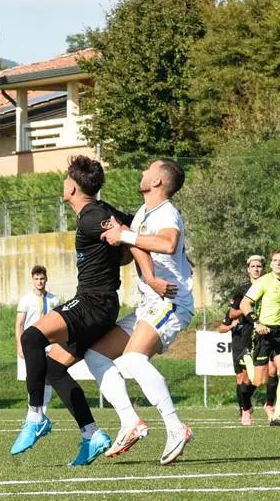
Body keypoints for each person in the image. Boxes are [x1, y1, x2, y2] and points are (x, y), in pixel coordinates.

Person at [10, 155, 174, 465]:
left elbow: (132, 239)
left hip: (93, 303)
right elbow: (131, 231)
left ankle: (36, 417)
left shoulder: (90, 216)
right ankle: (91, 435)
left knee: (32, 338)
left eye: (65, 180)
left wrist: (150, 275)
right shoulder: (102, 211)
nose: (63, 184)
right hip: (99, 303)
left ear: (72, 187)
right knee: (55, 368)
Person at [83, 158, 195, 465]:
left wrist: (126, 236)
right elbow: (135, 247)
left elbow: (169, 243)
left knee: (133, 359)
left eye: (148, 169)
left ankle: (175, 427)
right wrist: (117, 238)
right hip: (149, 304)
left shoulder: (167, 211)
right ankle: (130, 421)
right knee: (95, 355)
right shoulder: (145, 212)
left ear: (158, 181)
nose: (143, 172)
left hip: (171, 302)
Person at [240, 249, 280, 426]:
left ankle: (277, 415)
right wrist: (256, 323)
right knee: (259, 381)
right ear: (270, 264)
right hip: (263, 332)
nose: (278, 263)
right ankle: (247, 359)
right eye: (275, 260)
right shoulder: (264, 281)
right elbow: (244, 303)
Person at [219, 254, 264, 425]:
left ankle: (246, 404)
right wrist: (247, 311)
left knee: (259, 377)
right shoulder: (241, 290)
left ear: (263, 268)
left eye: (259, 266)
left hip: (262, 336)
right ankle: (244, 408)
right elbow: (231, 314)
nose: (256, 269)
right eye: (253, 266)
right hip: (242, 338)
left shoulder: (268, 286)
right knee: (241, 378)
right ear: (248, 269)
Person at [15, 265, 60, 416]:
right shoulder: (26, 300)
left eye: (42, 279)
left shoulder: (54, 299)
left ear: (46, 279)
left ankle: (43, 414)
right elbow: (20, 324)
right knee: (34, 377)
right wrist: (20, 346)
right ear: (32, 280)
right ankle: (33, 413)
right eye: (36, 279)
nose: (39, 282)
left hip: (49, 343)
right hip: (32, 345)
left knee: (48, 378)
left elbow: (59, 322)